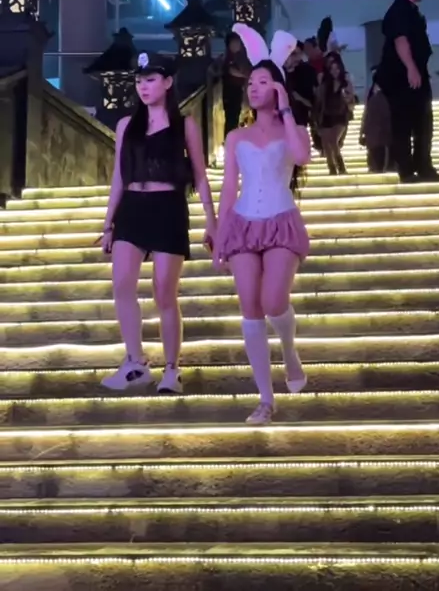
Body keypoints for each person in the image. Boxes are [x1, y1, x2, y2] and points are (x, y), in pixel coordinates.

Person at [100, 52, 216, 394]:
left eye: (150, 80)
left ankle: (172, 369)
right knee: (122, 284)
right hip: (132, 208)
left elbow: (200, 174)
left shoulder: (185, 125)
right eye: (139, 81)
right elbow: (119, 177)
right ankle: (135, 362)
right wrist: (108, 224)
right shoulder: (126, 125)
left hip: (168, 208)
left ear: (167, 82)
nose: (143, 87)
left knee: (164, 292)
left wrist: (212, 220)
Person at [214, 24, 311, 427]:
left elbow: (302, 157)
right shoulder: (236, 136)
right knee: (250, 308)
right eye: (251, 82)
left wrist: (286, 108)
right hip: (242, 224)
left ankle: (289, 350)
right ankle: (265, 399)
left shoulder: (295, 131)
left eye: (263, 82)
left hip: (281, 221)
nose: (253, 88)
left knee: (274, 301)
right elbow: (228, 187)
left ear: (278, 87)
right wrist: (219, 232)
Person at [375, 0, 439, 184]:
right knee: (405, 123)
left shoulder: (407, 10)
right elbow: (401, 41)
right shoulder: (399, 11)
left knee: (421, 122)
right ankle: (408, 170)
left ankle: (422, 166)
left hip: (411, 74)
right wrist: (411, 68)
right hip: (402, 78)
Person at [314, 52, 355, 175]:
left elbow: (351, 100)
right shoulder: (326, 84)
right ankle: (332, 168)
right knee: (326, 143)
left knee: (333, 140)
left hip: (340, 116)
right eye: (331, 68)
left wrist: (348, 99)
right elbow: (319, 100)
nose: (334, 71)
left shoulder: (346, 82)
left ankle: (340, 166)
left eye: (337, 68)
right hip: (327, 115)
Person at [360, 79, 392, 173]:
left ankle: (375, 168)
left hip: (375, 135)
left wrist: (362, 132)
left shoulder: (375, 98)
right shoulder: (384, 98)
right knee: (378, 157)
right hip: (378, 135)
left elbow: (366, 117)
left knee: (375, 156)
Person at [284, 41, 318, 127]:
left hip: (300, 120)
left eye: (296, 54)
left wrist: (300, 98)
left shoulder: (308, 72)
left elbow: (315, 101)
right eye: (291, 54)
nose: (295, 58)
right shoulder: (278, 72)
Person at [222, 31, 250, 138]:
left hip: (241, 91)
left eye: (238, 42)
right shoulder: (227, 58)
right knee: (231, 119)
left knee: (239, 117)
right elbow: (230, 70)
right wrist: (245, 76)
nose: (236, 45)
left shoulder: (242, 57)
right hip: (231, 93)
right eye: (233, 43)